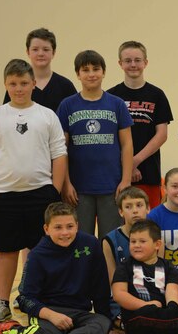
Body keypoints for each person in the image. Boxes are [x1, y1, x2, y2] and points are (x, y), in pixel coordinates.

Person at [0, 59, 68, 322]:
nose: (19, 88)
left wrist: (54, 190)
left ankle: (38, 299)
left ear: (33, 84)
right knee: (7, 251)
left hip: (41, 193)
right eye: (13, 84)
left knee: (42, 250)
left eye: (24, 83)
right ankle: (2, 302)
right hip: (4, 195)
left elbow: (59, 155)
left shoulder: (46, 115)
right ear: (6, 85)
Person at [0, 202, 111, 334]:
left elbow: (100, 287)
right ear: (46, 229)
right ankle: (7, 331)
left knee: (101, 323)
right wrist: (52, 316)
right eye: (58, 228)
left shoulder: (91, 244)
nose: (65, 232)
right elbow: (25, 299)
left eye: (70, 226)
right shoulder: (37, 255)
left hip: (79, 312)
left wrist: (108, 324)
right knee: (50, 333)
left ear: (77, 226)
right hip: (48, 312)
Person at [57, 49, 133, 238]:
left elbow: (127, 145)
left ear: (104, 72)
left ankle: (109, 270)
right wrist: (66, 183)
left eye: (96, 69)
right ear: (78, 74)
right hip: (79, 188)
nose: (91, 74)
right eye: (85, 70)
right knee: (82, 242)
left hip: (111, 187)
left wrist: (125, 180)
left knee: (111, 241)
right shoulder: (67, 105)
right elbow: (61, 149)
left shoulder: (116, 104)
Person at [108, 41, 173, 208]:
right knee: (121, 225)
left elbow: (162, 135)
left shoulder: (157, 95)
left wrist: (135, 160)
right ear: (120, 63)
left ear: (146, 62)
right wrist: (128, 165)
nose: (133, 64)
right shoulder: (111, 96)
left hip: (149, 172)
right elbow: (110, 136)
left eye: (137, 60)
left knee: (147, 224)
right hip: (118, 174)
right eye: (128, 60)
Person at [102, 186, 151, 326]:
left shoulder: (157, 237)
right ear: (120, 212)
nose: (135, 210)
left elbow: (161, 274)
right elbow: (113, 282)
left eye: (139, 205)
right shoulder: (110, 240)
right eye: (128, 207)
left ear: (148, 208)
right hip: (123, 301)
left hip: (152, 297)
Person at [2, 27, 77, 113]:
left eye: (46, 49)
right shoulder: (17, 86)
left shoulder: (65, 86)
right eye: (35, 49)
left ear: (53, 52)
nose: (40, 54)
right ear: (28, 52)